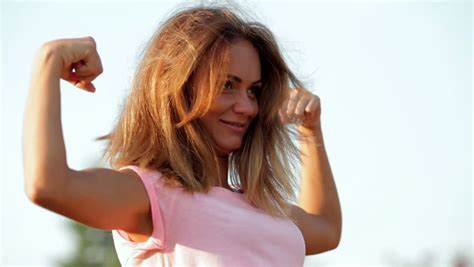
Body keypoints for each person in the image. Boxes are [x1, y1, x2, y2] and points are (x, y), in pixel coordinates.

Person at [23, 5, 342, 266]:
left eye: (253, 91)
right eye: (227, 85)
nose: (246, 107)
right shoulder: (152, 195)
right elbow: (48, 186)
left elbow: (327, 229)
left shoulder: (265, 207)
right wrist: (49, 61)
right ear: (179, 90)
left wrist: (310, 129)